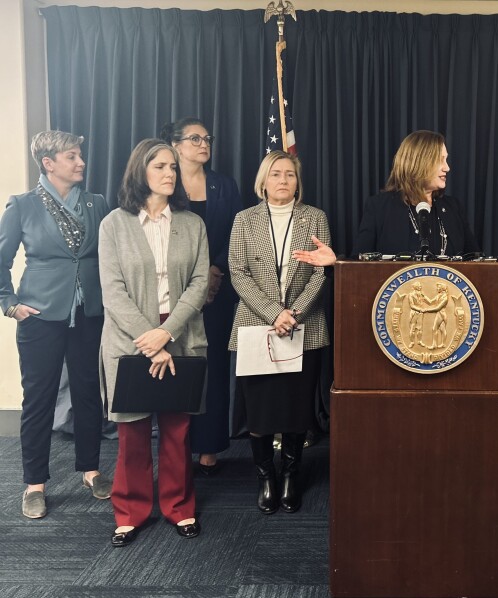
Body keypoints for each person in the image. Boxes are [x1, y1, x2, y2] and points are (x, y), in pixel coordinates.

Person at [99, 139, 209, 546]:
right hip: (131, 339)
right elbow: (113, 293)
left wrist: (168, 332)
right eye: (159, 166)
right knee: (132, 431)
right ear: (139, 172)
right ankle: (130, 511)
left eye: (173, 167)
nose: (169, 173)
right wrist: (151, 340)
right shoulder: (113, 224)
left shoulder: (192, 223)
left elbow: (199, 284)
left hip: (179, 332)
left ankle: (179, 507)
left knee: (178, 429)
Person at [0, 131, 112, 519]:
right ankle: (34, 484)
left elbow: (110, 255)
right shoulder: (22, 205)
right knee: (39, 399)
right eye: (71, 156)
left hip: (89, 314)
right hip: (40, 315)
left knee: (86, 393)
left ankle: (91, 470)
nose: (81, 162)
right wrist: (9, 303)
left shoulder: (97, 204)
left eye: (80, 155)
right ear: (48, 163)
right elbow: (1, 258)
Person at [229, 150, 330, 515]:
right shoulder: (244, 220)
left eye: (289, 174)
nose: (283, 180)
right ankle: (265, 477)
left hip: (305, 326)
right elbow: (238, 273)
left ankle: (290, 475)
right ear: (263, 181)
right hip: (257, 325)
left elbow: (321, 273)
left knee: (295, 409)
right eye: (275, 174)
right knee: (259, 411)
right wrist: (275, 313)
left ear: (297, 181)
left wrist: (295, 313)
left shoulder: (315, 218)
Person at [161, 118, 243, 475]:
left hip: (217, 288)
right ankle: (176, 447)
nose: (203, 143)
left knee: (214, 365)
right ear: (176, 145)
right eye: (194, 138)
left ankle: (210, 446)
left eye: (206, 138)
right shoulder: (164, 181)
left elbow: (238, 231)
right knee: (178, 364)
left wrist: (215, 271)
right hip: (172, 290)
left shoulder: (224, 185)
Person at [351, 130, 498, 261]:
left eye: (447, 159)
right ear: (420, 161)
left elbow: (476, 263)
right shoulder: (380, 207)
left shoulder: (452, 208)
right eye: (441, 160)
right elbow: (358, 264)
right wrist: (335, 264)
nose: (447, 168)